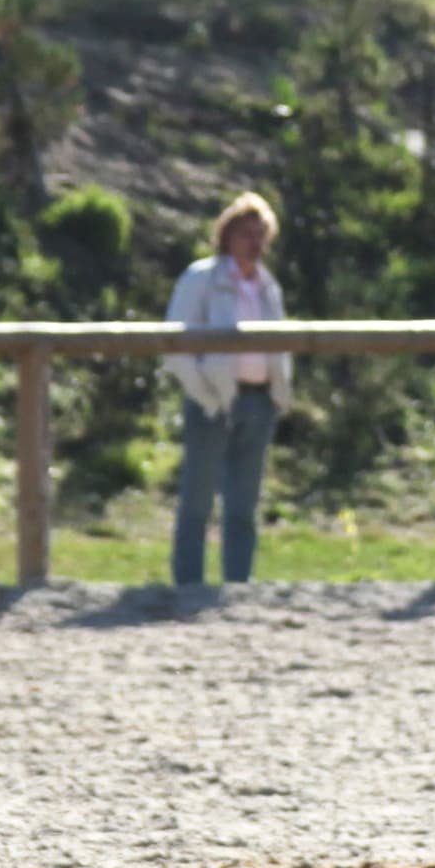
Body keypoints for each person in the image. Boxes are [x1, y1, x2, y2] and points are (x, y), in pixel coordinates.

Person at [164, 194, 293, 586]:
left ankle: (239, 585)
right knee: (197, 502)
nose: (254, 242)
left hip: (259, 401)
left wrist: (279, 393)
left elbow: (281, 344)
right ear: (227, 236)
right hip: (213, 403)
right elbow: (175, 345)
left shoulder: (267, 286)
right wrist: (205, 395)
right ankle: (188, 585)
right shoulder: (201, 278)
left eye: (260, 234)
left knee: (243, 506)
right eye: (246, 234)